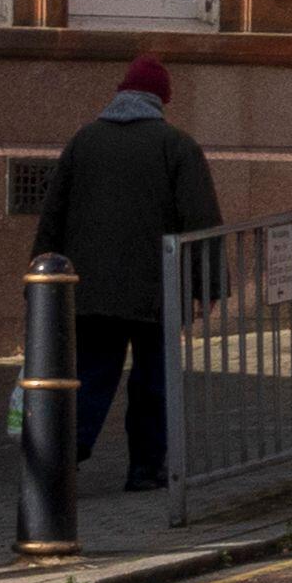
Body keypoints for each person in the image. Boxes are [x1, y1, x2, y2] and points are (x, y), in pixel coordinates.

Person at [43, 53, 216, 495]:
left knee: (91, 375)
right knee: (153, 382)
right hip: (156, 290)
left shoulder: (84, 141)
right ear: (162, 99)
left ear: (121, 93)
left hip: (89, 290)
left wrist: (40, 282)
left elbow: (54, 213)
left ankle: (62, 459)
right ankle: (145, 470)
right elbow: (199, 220)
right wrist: (207, 285)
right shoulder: (177, 146)